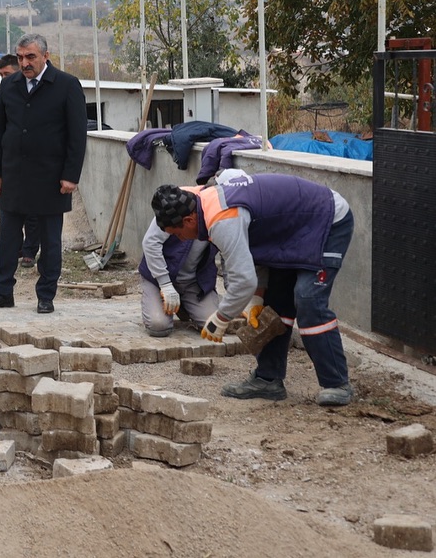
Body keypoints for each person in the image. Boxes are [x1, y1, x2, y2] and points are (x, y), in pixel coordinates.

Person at [151, 170, 355, 406]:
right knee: (275, 304)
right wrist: (257, 298)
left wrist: (221, 317)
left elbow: (243, 279)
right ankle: (268, 380)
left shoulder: (221, 218)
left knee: (308, 300)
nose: (182, 240)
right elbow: (254, 249)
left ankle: (337, 383)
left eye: (178, 234)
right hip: (290, 231)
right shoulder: (197, 201)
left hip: (326, 220)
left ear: (188, 220)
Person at [0, 33, 87, 314]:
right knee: (7, 238)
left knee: (50, 240)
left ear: (45, 56)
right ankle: (3, 292)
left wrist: (71, 175)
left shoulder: (66, 85)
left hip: (52, 177)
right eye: (21, 57)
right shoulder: (9, 86)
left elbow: (77, 135)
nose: (25, 63)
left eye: (31, 57)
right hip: (14, 174)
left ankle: (46, 295)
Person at [0, 54, 39, 268]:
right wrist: (5, 115)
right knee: (4, 205)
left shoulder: (38, 90)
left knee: (33, 209)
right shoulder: (4, 91)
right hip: (8, 161)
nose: (3, 79)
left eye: (7, 74)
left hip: (34, 162)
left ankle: (30, 251)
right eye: (1, 75)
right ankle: (15, 247)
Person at [138, 215, 219, 337]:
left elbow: (231, 256)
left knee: (215, 325)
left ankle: (184, 305)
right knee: (159, 326)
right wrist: (165, 285)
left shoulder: (220, 215)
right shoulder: (177, 205)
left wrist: (236, 296)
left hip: (194, 283)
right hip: (158, 280)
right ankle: (158, 298)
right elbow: (150, 242)